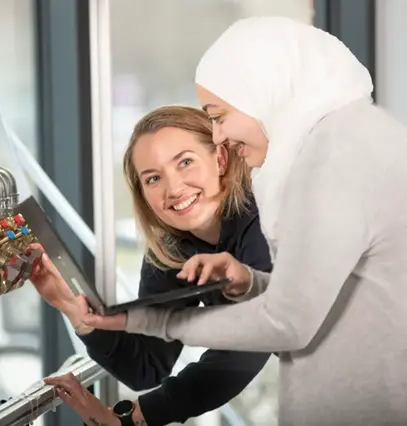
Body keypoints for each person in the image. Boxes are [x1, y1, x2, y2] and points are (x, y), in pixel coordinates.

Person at [80, 16, 407, 426]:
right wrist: (247, 283)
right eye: (153, 178)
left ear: (263, 94)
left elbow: (284, 324)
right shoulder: (325, 151)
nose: (219, 137)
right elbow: (308, 304)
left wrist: (148, 326)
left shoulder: (335, 157)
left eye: (219, 116)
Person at [29, 105, 273, 426]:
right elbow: (146, 365)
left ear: (220, 159)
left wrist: (131, 419)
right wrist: (77, 313)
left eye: (185, 162)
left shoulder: (267, 217)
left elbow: (247, 344)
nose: (173, 189)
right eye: (153, 178)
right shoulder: (173, 248)